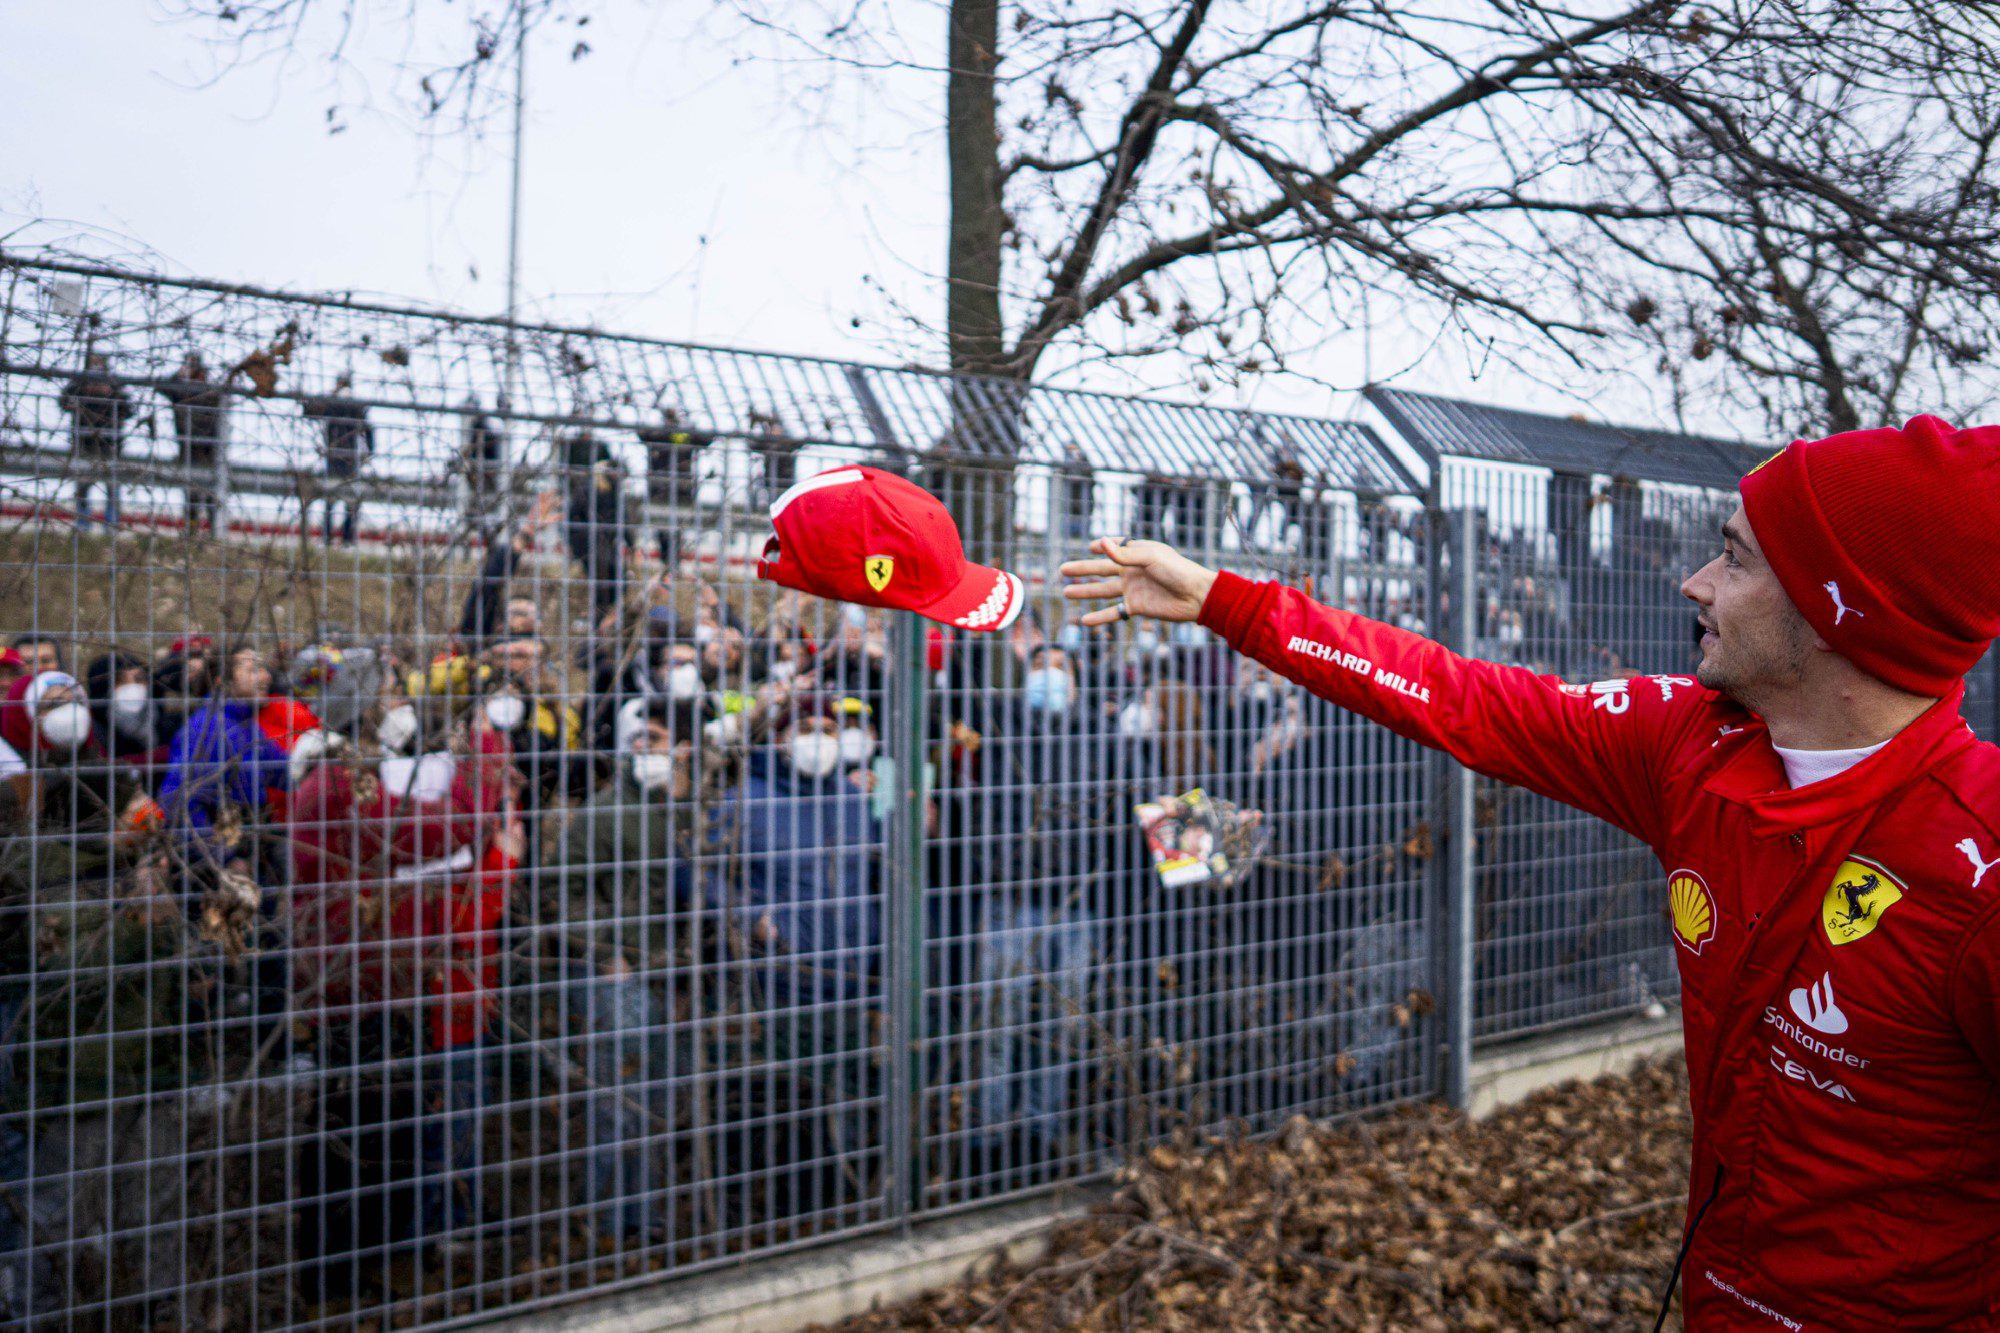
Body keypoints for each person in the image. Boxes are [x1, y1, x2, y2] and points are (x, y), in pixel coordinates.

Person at [1059, 415, 2000, 1331]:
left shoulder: (1977, 875)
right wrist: (1225, 601)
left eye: (1736, 559)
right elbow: (1462, 695)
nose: (1696, 581)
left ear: (1838, 611)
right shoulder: (1691, 742)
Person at [156, 352, 229, 533]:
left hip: (209, 449)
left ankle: (213, 531)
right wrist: (178, 376)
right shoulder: (182, 390)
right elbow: (161, 386)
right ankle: (192, 531)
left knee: (210, 492)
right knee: (191, 494)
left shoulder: (211, 392)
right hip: (187, 446)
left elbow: (223, 399)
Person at [300, 375, 375, 546]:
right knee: (347, 502)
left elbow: (310, 411)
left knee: (332, 500)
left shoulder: (333, 404)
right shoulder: (354, 406)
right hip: (348, 460)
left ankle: (330, 538)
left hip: (336, 459)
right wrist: (369, 452)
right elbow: (368, 430)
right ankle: (345, 539)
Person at [58, 353, 132, 526]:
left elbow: (128, 410)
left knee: (112, 486)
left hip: (110, 445)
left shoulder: (115, 384)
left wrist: (111, 393)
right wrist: (83, 390)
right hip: (84, 444)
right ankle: (83, 523)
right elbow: (63, 402)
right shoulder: (78, 382)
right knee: (83, 484)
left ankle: (111, 523)